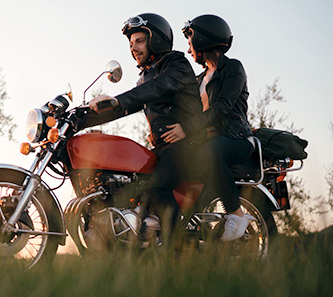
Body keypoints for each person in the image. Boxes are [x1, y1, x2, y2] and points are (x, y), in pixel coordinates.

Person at [84, 13, 204, 243]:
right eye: (131, 44)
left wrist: (119, 100)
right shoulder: (145, 77)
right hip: (163, 148)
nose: (133, 48)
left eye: (139, 41)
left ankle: (173, 251)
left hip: (187, 145)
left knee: (158, 189)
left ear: (156, 40)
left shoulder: (176, 64)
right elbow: (126, 106)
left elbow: (156, 89)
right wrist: (83, 118)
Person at [161, 14, 256, 241]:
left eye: (190, 40)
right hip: (208, 141)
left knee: (208, 152)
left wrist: (186, 128)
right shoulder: (199, 79)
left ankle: (236, 213)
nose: (189, 48)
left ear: (203, 39)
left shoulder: (233, 69)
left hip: (237, 138)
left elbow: (223, 107)